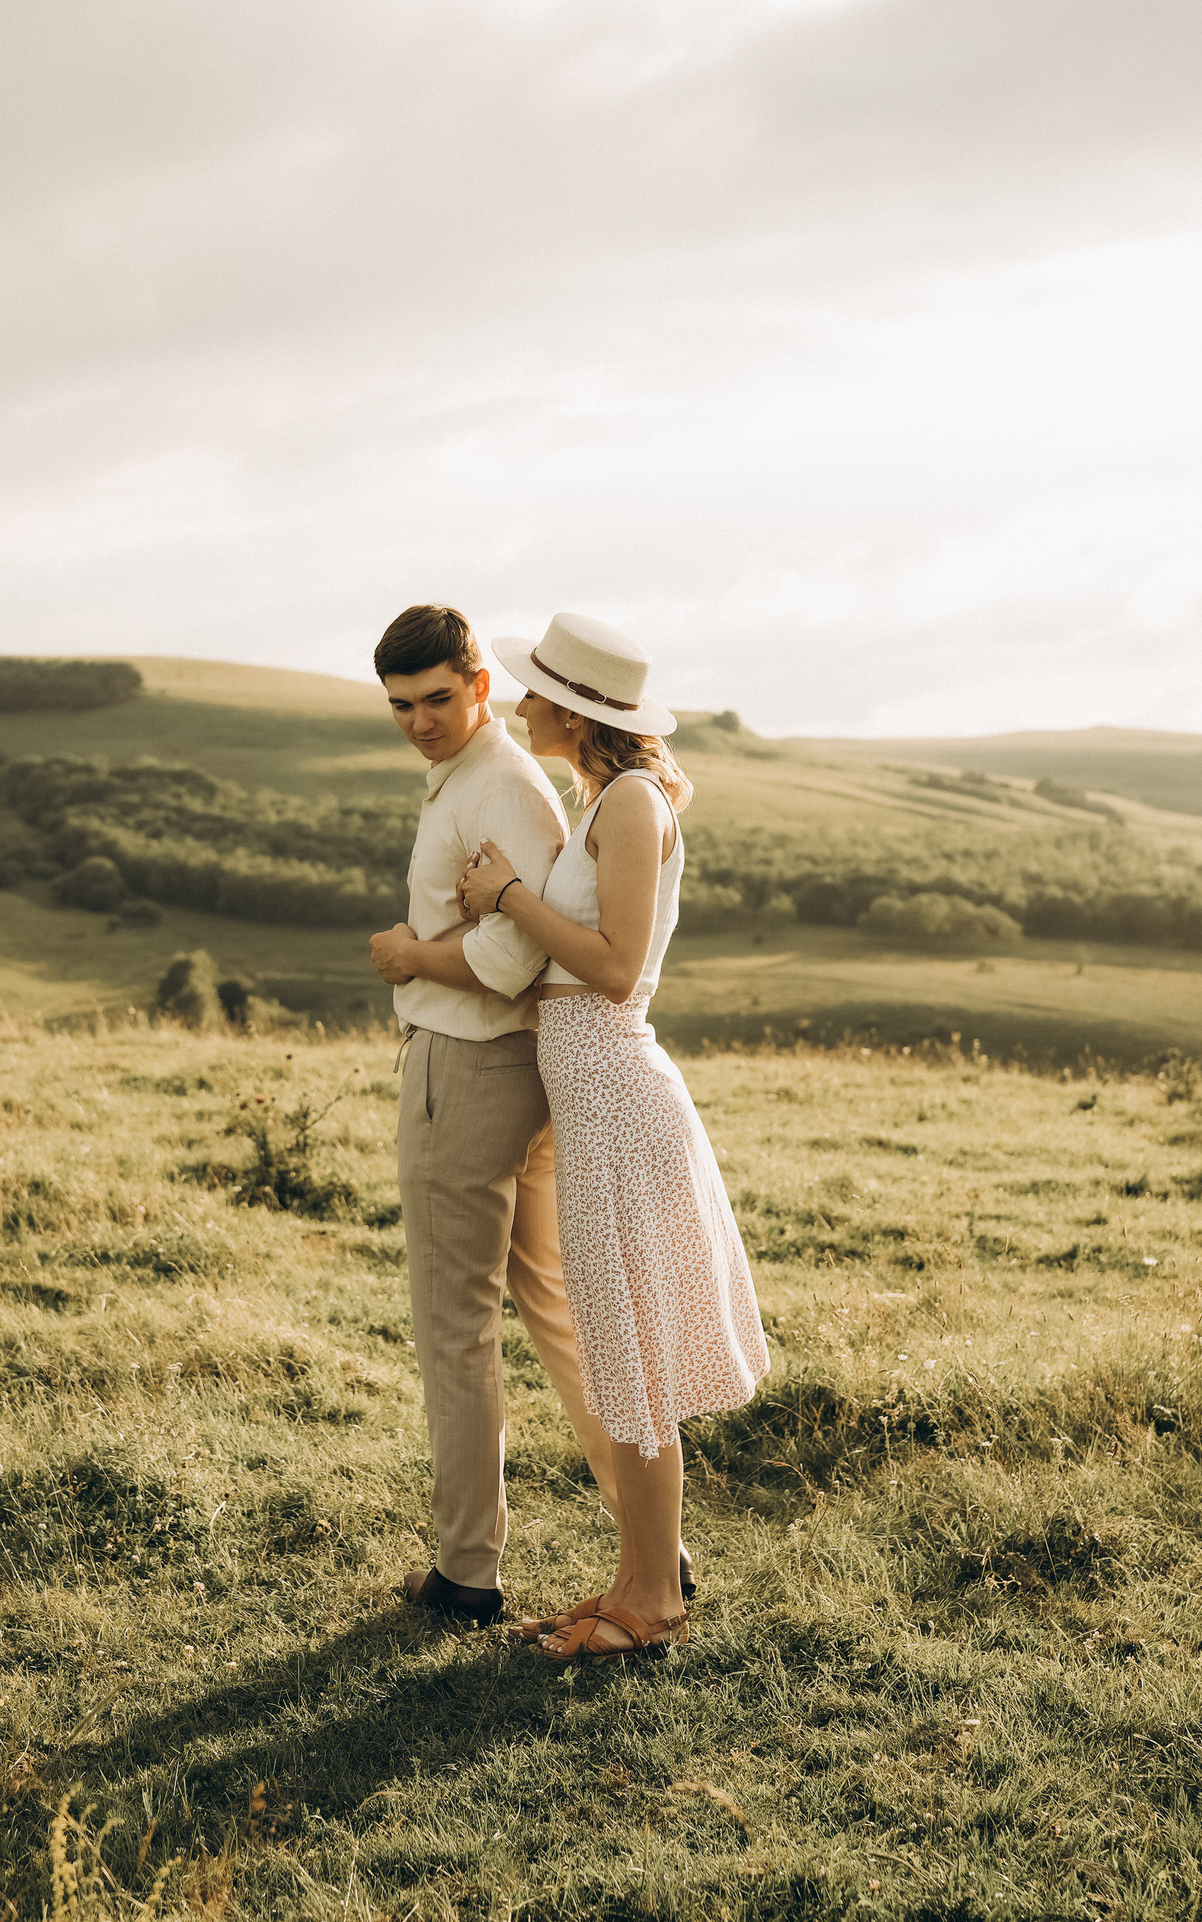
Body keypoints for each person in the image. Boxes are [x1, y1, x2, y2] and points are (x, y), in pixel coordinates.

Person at [455, 611, 768, 1663]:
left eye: (534, 690)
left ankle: (649, 1603)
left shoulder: (631, 803)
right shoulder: (608, 801)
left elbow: (615, 964)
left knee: (630, 1355)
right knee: (623, 1355)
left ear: (578, 710)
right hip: (590, 1097)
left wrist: (504, 895)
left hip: (616, 1095)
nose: (518, 701)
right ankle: (638, 1586)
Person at [364, 604, 625, 1628]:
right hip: (516, 1069)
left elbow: (508, 958)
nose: (420, 720)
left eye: (437, 698)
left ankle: (467, 1569)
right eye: (400, 706)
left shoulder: (500, 787)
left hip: (470, 1069)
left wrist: (410, 955)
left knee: (454, 1325)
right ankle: (658, 1543)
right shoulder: (483, 780)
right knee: (552, 1311)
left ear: (479, 685)